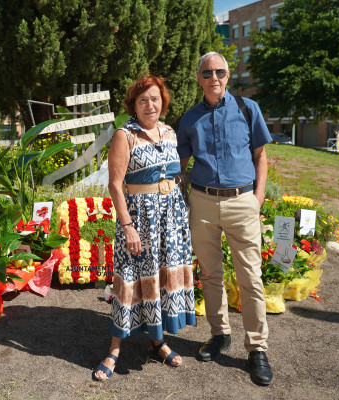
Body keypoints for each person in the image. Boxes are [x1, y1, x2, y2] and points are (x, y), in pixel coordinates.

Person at [177, 52, 274, 386]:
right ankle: (220, 335)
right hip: (203, 203)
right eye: (207, 73)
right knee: (210, 274)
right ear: (199, 78)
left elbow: (261, 157)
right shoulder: (190, 119)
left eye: (219, 71)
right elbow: (180, 166)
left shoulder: (248, 109)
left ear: (228, 75)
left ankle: (257, 348)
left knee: (250, 276)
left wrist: (257, 199)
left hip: (241, 202)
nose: (213, 77)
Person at [93, 75, 195, 381]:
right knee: (131, 281)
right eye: (142, 100)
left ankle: (158, 342)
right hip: (140, 220)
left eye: (155, 98)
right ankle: (114, 351)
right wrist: (128, 226)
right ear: (133, 106)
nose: (150, 104)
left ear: (163, 102)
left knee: (162, 278)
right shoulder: (125, 135)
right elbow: (114, 184)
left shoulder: (170, 132)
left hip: (171, 218)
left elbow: (179, 173)